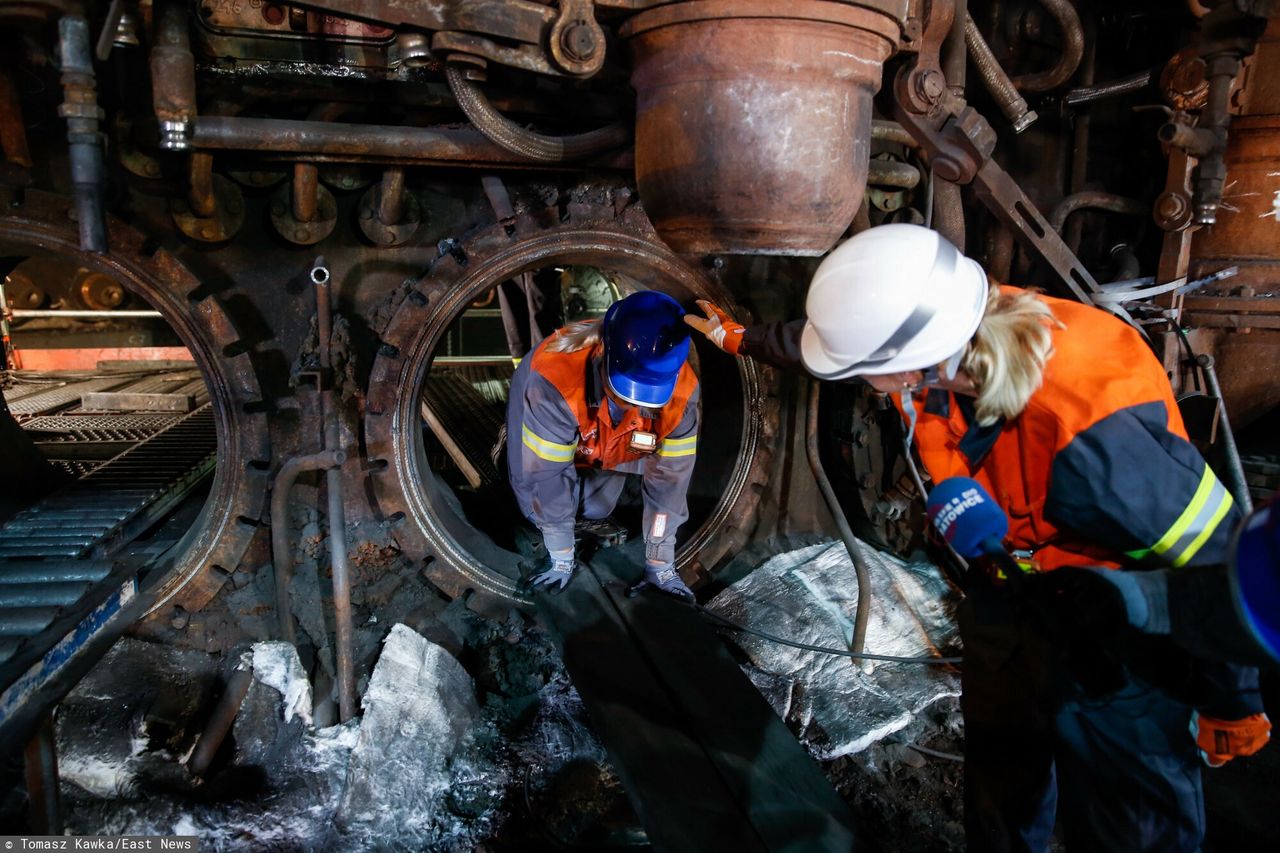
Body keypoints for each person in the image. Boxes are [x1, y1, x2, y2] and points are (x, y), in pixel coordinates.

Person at [686, 222, 1269, 852]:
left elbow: (1218, 564)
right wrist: (742, 340)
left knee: (1134, 827)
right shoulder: (951, 318)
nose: (862, 384)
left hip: (1118, 640)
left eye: (866, 375)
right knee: (1001, 792)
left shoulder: (1093, 435)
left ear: (911, 368)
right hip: (1010, 605)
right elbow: (840, 341)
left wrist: (1231, 701)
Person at [507, 290, 699, 600]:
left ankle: (588, 468)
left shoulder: (683, 397)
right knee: (535, 506)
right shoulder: (554, 380)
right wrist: (561, 555)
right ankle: (555, 526)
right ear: (604, 355)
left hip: (605, 434)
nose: (630, 403)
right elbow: (546, 475)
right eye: (625, 392)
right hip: (548, 401)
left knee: (595, 510)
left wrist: (660, 564)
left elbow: (670, 485)